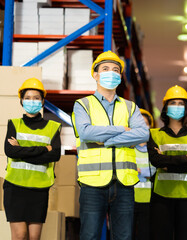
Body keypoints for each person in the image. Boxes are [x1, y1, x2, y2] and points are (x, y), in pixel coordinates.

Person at [72, 50, 149, 240]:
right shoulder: (82, 105)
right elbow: (85, 133)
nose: (111, 73)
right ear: (95, 74)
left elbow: (143, 133)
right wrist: (122, 129)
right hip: (92, 184)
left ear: (120, 77)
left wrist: (107, 140)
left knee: (124, 237)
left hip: (124, 183)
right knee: (89, 236)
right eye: (105, 69)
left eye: (116, 70)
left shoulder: (130, 107)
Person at [3, 77, 61, 240]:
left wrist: (21, 150)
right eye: (28, 98)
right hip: (15, 187)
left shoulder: (53, 127)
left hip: (39, 189)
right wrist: (43, 149)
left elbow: (55, 155)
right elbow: (10, 152)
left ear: (42, 101)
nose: (32, 101)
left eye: (36, 98)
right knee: (20, 235)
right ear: (21, 101)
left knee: (34, 238)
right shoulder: (14, 124)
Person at [147, 85, 187, 240]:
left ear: (186, 108)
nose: (177, 107)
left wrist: (167, 162)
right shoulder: (155, 134)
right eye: (173, 103)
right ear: (165, 108)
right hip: (161, 197)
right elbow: (155, 161)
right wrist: (185, 158)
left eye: (181, 103)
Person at [133, 109, 156, 240]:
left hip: (149, 201)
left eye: (145, 123)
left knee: (145, 235)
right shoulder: (128, 148)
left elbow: (158, 170)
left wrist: (142, 172)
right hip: (130, 199)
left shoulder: (154, 149)